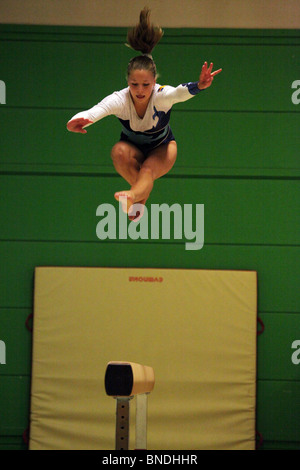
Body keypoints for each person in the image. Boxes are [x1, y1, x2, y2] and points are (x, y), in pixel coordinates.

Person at [67, 7, 222, 221]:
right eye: (134, 84)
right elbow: (96, 111)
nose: (140, 90)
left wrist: (200, 85)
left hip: (163, 148)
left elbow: (180, 92)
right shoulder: (120, 100)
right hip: (132, 149)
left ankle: (133, 195)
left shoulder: (161, 95)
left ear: (154, 81)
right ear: (127, 82)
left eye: (146, 84)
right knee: (118, 151)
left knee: (148, 170)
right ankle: (138, 198)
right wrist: (76, 121)